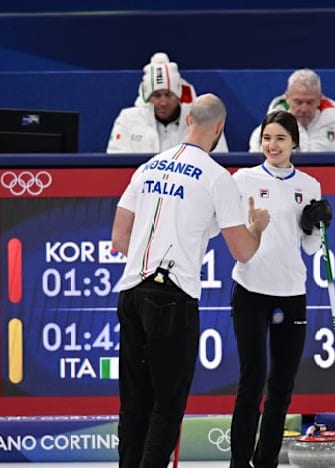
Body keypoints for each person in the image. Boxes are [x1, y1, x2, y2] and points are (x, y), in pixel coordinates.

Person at [111, 94, 269, 468]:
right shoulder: (217, 177)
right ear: (219, 129)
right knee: (167, 406)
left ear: (187, 122)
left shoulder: (148, 166)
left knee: (134, 403)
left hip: (131, 292)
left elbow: (119, 239)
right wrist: (257, 228)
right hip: (172, 296)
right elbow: (243, 251)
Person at [229, 110, 332, 468]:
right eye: (267, 138)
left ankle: (266, 460)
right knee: (251, 380)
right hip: (250, 287)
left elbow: (309, 247)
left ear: (294, 143)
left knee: (282, 385)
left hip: (291, 291)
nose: (272, 145)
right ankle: (239, 462)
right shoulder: (242, 179)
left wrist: (316, 226)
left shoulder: (309, 185)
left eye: (280, 139)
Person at [107, 52, 228, 154]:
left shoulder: (203, 118)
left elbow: (219, 160)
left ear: (178, 96)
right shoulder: (128, 120)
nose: (163, 102)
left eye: (169, 95)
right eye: (157, 95)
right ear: (148, 98)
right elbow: (116, 163)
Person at [248, 68, 335, 152]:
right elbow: (256, 171)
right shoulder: (266, 131)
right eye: (298, 102)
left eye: (310, 102)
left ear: (320, 99)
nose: (304, 108)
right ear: (287, 98)